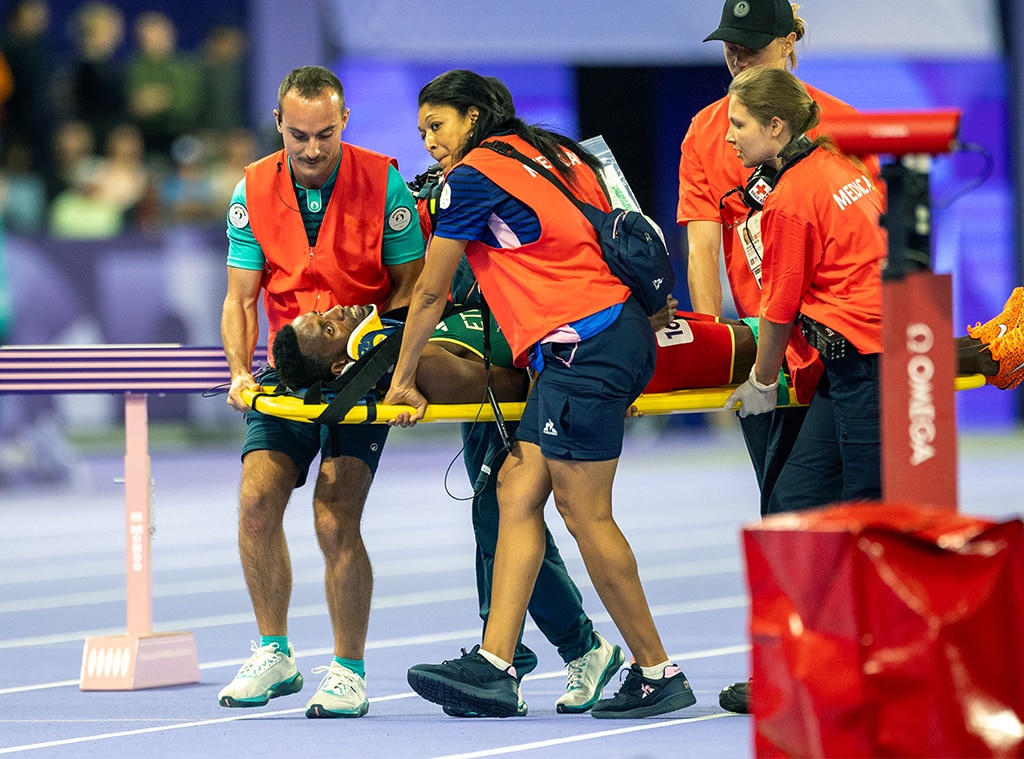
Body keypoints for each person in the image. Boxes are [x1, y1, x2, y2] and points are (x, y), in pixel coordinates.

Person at [380, 68, 695, 720]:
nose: (431, 141)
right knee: (517, 488)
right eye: (422, 132)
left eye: (437, 126)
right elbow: (626, 231)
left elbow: (431, 292)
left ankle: (657, 670)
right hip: (612, 337)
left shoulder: (472, 177)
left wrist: (403, 377)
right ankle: (496, 664)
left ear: (474, 116)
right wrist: (637, 351)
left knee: (587, 517)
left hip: (586, 348)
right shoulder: (560, 152)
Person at [677, 0, 875, 715]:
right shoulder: (706, 131)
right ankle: (799, 663)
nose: (737, 57)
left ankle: (834, 665)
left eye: (753, 43)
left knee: (835, 513)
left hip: (835, 354)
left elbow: (873, 229)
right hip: (771, 354)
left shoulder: (842, 125)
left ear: (790, 43)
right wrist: (714, 344)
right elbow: (703, 242)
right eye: (730, 44)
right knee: (785, 513)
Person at [217, 65, 425, 719]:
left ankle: (348, 669)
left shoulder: (383, 182)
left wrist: (386, 362)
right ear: (279, 123)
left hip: (364, 368)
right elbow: (239, 298)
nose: (311, 149)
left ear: (344, 124)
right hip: (291, 370)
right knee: (255, 503)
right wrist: (239, 372)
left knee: (335, 515)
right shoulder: (251, 187)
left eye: (325, 135)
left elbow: (414, 288)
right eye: (299, 135)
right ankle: (274, 651)